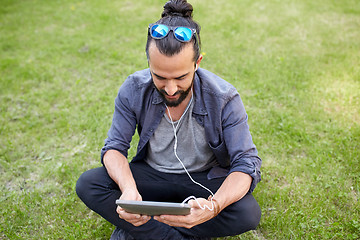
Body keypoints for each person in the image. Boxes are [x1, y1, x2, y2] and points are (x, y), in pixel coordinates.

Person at [76, 0, 262, 239]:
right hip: (152, 176)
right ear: (149, 64)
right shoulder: (133, 88)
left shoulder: (224, 97)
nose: (171, 89)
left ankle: (141, 230)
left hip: (203, 180)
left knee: (247, 212)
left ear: (197, 63)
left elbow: (246, 163)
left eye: (181, 77)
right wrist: (129, 190)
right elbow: (114, 148)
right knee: (90, 183)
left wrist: (213, 207)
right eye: (160, 77)